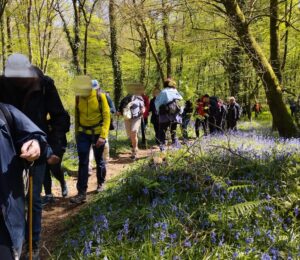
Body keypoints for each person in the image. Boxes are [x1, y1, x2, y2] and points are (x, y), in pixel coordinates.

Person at [0, 53, 69, 259]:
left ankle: (33, 245)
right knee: (11, 198)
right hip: (7, 147)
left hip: (38, 144)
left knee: (33, 197)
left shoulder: (44, 85)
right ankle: (14, 242)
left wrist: (56, 149)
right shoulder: (2, 84)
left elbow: (60, 117)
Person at [0, 103, 50, 260]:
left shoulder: (5, 113)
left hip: (5, 218)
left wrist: (35, 144)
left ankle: (33, 243)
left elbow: (35, 136)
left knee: (34, 200)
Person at [71, 76, 111, 204]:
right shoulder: (78, 98)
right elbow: (77, 117)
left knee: (99, 159)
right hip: (83, 134)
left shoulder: (100, 96)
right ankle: (81, 193)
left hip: (97, 133)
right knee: (83, 162)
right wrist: (77, 134)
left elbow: (106, 116)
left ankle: (101, 183)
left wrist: (103, 136)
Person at [42, 115, 70, 206]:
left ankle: (63, 182)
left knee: (54, 169)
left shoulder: (60, 113)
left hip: (58, 145)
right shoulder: (39, 111)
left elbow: (66, 128)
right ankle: (48, 195)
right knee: (44, 169)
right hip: (44, 144)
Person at [118, 83, 145, 160]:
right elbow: (120, 109)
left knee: (133, 132)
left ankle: (135, 150)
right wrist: (118, 113)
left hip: (136, 117)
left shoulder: (139, 98)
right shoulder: (124, 99)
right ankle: (134, 145)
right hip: (127, 119)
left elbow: (143, 107)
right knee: (130, 135)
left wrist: (143, 110)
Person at [155, 78, 183, 151]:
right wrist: (180, 113)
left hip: (164, 116)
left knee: (162, 132)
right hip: (175, 116)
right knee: (173, 131)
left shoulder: (163, 92)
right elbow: (181, 103)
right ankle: (176, 148)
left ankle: (162, 148)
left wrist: (158, 111)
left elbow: (158, 104)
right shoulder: (176, 92)